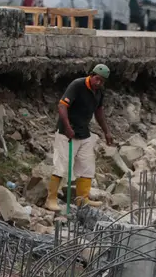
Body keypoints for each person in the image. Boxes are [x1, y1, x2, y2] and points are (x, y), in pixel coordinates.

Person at [45, 64, 115, 212]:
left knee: (87, 166)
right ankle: (50, 199)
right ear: (91, 75)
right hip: (66, 133)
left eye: (102, 81)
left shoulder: (99, 92)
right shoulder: (77, 85)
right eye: (97, 79)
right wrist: (68, 127)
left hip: (84, 133)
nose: (98, 83)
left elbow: (99, 112)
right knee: (61, 165)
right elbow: (62, 106)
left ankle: (82, 200)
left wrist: (107, 131)